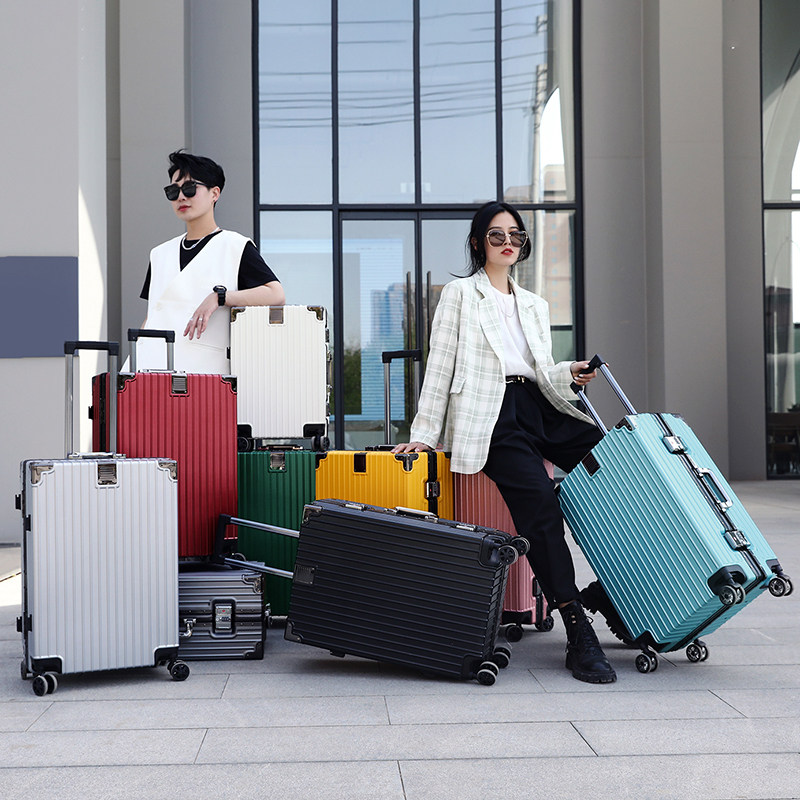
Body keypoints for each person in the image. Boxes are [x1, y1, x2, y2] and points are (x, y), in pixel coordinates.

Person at [392, 200, 616, 684]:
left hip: (538, 404)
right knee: (540, 504)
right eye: (497, 235)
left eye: (516, 235)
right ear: (479, 243)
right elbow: (440, 365)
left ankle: (615, 589)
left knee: (618, 462)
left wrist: (570, 371)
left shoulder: (534, 303)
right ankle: (576, 625)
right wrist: (424, 436)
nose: (508, 243)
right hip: (491, 415)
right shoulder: (459, 294)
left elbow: (539, 369)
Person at [136, 150, 285, 373]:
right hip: (150, 369)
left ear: (214, 193)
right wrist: (136, 358)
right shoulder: (159, 254)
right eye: (173, 191)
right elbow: (153, 315)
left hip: (204, 373)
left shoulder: (235, 246)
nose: (181, 197)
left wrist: (220, 297)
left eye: (190, 188)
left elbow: (275, 294)